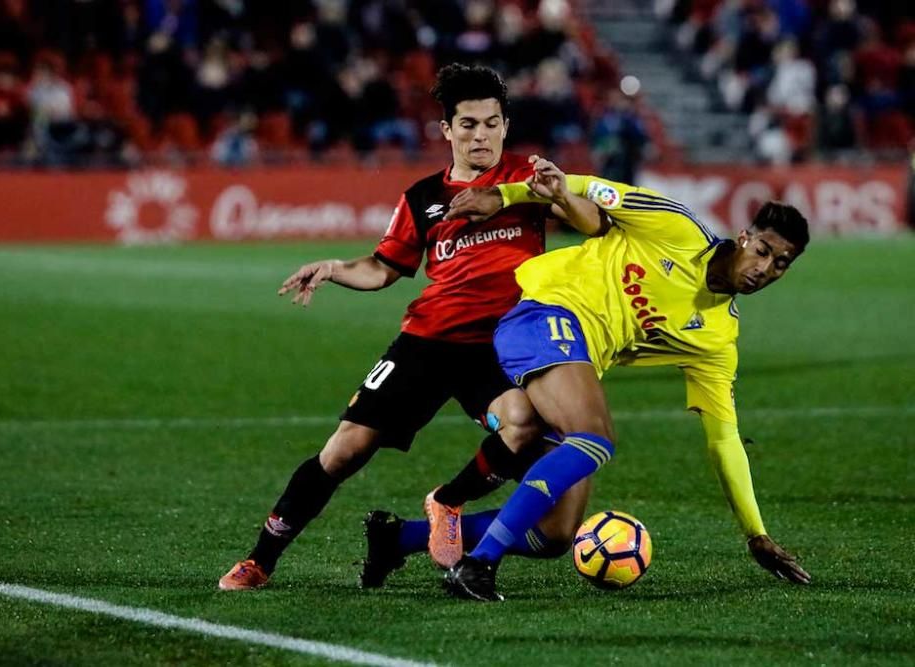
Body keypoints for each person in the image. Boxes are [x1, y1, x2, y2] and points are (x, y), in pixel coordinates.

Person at [218, 64, 583, 591]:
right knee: (345, 449)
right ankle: (261, 558)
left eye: (490, 123)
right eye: (468, 124)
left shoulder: (528, 180)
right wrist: (336, 269)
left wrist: (565, 197)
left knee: (523, 423)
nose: (480, 135)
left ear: (505, 125)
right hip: (427, 342)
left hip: (501, 345)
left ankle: (448, 502)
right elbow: (385, 268)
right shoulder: (422, 198)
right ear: (446, 131)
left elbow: (590, 219)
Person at [432, 157, 813, 601]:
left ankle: (398, 537)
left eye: (781, 264)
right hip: (545, 314)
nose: (764, 269)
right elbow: (589, 187)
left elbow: (724, 439)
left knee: (557, 532)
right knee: (595, 436)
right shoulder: (676, 227)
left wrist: (755, 533)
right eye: (763, 251)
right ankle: (478, 564)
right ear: (744, 237)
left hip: (573, 358)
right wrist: (503, 195)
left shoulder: (717, 337)